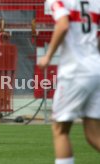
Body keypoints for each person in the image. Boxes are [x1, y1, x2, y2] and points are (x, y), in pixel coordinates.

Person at [38, 0, 100, 163]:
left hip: (75, 71)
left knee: (60, 130)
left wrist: (48, 56)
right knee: (94, 134)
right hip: (96, 69)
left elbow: (63, 25)